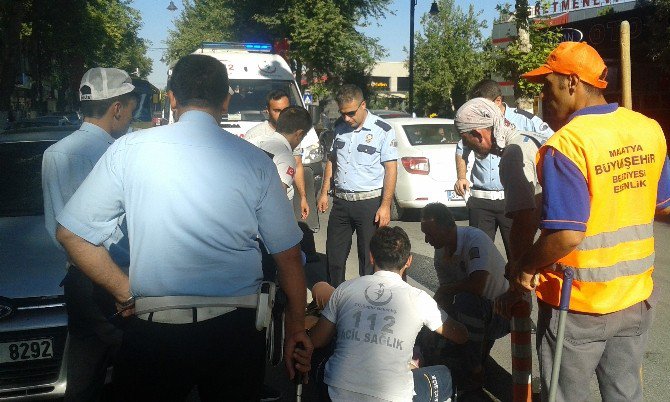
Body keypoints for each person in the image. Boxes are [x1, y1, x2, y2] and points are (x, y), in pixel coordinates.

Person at [55, 54, 312, 401]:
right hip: (234, 332)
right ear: (226, 100)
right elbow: (288, 255)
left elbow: (71, 233)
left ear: (172, 98)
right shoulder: (255, 161)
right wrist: (297, 325)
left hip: (154, 329)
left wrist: (123, 290)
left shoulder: (129, 150)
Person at [508, 41, 670, 402]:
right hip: (634, 299)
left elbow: (566, 234)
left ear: (571, 82)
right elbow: (664, 205)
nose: (543, 97)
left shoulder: (566, 145)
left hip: (576, 305)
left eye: (547, 86)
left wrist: (525, 266)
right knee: (625, 394)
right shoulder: (647, 129)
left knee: (566, 396)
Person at [41, 67, 137, 402]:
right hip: (118, 278)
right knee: (136, 372)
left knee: (84, 376)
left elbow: (59, 228)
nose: (131, 114)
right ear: (117, 108)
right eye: (132, 105)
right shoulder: (122, 153)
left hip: (78, 281)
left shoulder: (55, 153)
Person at [304, 226, 468, 402]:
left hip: (335, 393)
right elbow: (461, 336)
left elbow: (317, 340)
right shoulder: (419, 299)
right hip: (394, 397)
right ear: (409, 261)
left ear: (371, 257)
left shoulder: (346, 289)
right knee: (445, 375)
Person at [454, 79, 554, 259]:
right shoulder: (525, 139)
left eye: (466, 139)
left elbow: (524, 222)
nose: (467, 146)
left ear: (478, 134)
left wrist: (519, 267)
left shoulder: (512, 155)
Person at [419, 202, 509, 388]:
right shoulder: (440, 251)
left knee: (466, 301)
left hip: (503, 312)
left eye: (430, 234)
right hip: (478, 309)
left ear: (447, 228)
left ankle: (475, 370)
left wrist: (445, 293)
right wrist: (429, 323)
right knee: (436, 320)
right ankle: (458, 361)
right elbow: (444, 296)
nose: (427, 240)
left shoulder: (475, 240)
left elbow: (477, 285)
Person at [317, 84, 398, 287]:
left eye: (351, 113)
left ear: (363, 105)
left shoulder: (383, 130)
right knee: (334, 257)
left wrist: (385, 205)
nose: (347, 118)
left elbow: (391, 169)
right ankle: (334, 299)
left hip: (369, 203)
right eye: (343, 113)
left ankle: (365, 299)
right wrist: (324, 192)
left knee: (368, 260)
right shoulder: (339, 128)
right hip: (342, 202)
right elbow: (332, 159)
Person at [246, 89, 310, 221]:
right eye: (277, 110)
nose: (282, 115)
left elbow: (298, 165)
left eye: (285, 110)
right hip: (270, 215)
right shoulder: (284, 154)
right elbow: (276, 197)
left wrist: (303, 197)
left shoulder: (259, 141)